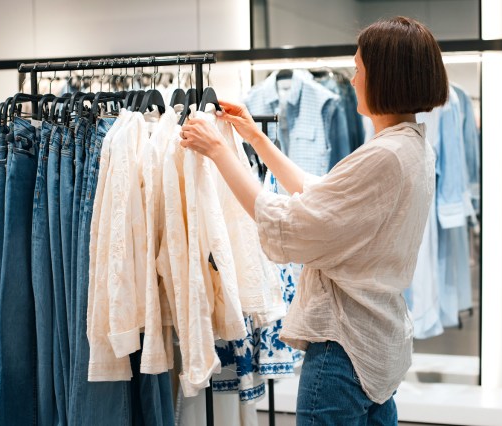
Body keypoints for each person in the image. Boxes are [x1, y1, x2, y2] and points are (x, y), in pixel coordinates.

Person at [179, 16, 448, 425]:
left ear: (386, 77)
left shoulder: (385, 156)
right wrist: (256, 138)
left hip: (345, 350)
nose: (353, 80)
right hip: (378, 344)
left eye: (359, 70)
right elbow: (323, 195)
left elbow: (295, 223)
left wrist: (220, 152)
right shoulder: (411, 147)